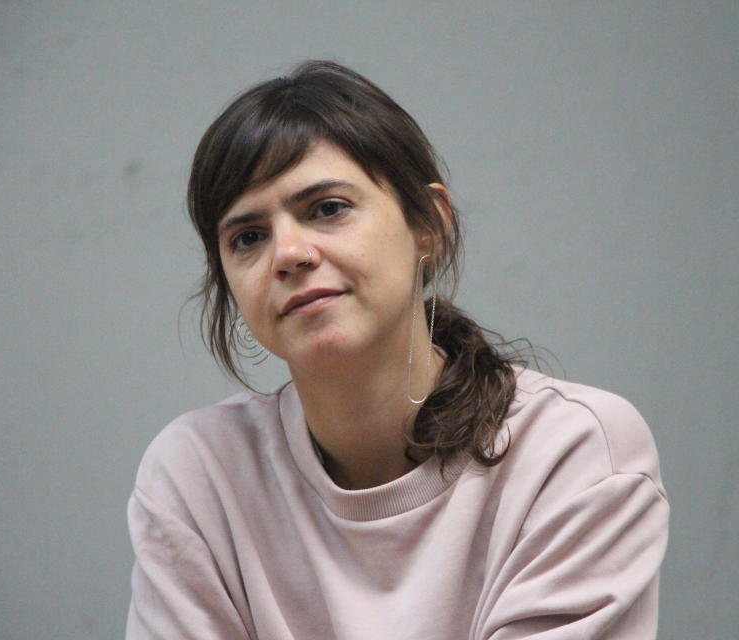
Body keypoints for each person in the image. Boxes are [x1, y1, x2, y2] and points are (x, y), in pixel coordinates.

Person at [125, 60, 669, 639]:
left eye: (327, 208)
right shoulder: (199, 474)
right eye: (248, 237)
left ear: (428, 225)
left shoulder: (574, 453)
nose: (289, 252)